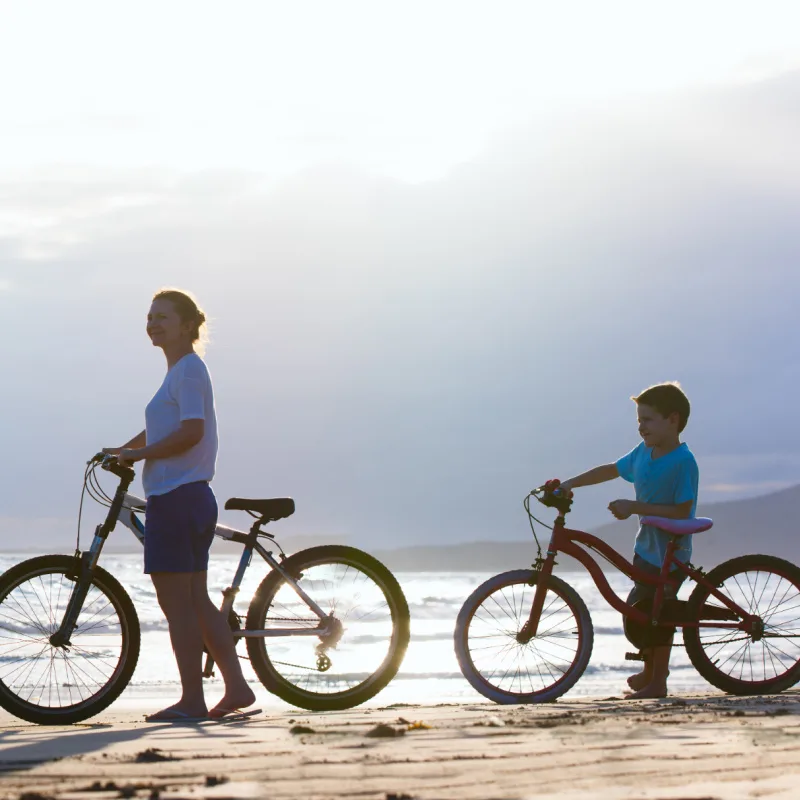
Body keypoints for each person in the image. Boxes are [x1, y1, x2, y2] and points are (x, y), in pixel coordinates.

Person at [104, 288, 256, 722]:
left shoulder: (188, 371)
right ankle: (238, 688)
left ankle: (192, 700)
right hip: (188, 498)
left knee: (179, 607)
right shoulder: (180, 372)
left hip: (177, 499)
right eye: (150, 317)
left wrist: (139, 456)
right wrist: (123, 449)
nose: (153, 323)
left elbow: (191, 432)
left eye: (163, 317)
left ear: (188, 325)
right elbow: (162, 430)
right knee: (197, 602)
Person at [556, 382, 699, 699]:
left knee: (658, 614)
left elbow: (681, 510)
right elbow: (611, 469)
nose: (640, 426)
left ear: (672, 419)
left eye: (647, 419)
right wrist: (571, 483)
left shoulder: (683, 461)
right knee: (639, 611)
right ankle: (650, 672)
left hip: (671, 552)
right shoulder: (643, 454)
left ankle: (657, 681)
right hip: (646, 549)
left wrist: (634, 506)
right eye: (639, 420)